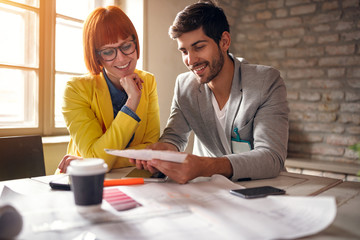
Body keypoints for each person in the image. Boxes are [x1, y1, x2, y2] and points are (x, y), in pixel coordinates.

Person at [132, 0, 289, 184]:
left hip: (262, 189)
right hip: (209, 192)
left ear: (224, 41)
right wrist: (162, 151)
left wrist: (206, 166)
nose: (190, 60)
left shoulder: (266, 81)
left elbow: (271, 157)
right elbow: (174, 137)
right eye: (184, 51)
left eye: (199, 47)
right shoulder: (185, 86)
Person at [57, 6, 160, 174]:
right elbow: (96, 158)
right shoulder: (76, 89)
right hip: (82, 183)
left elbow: (151, 149)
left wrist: (98, 160)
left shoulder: (148, 81)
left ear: (135, 42)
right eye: (108, 51)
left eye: (126, 46)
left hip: (133, 180)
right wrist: (132, 101)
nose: (121, 58)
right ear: (96, 56)